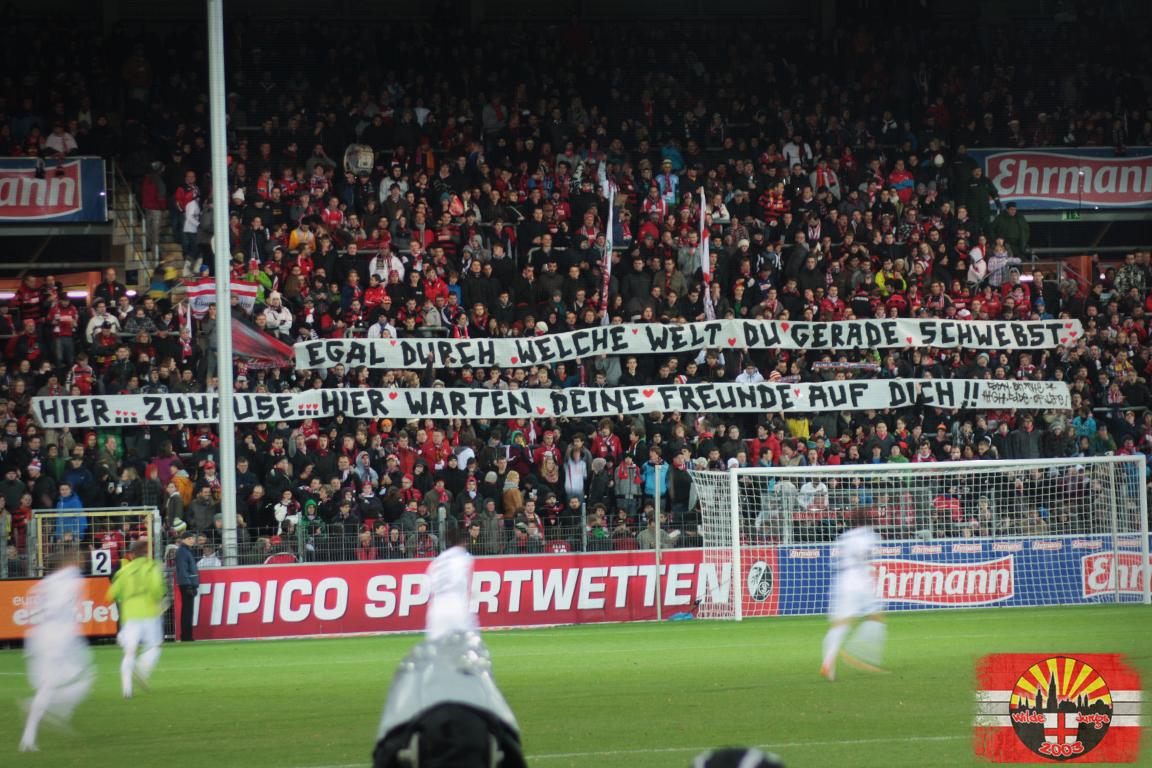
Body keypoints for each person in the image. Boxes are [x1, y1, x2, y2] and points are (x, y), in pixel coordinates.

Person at [20, 548, 95, 752]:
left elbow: (31, 600)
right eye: (79, 558)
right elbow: (60, 606)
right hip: (60, 638)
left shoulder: (47, 582)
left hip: (40, 636)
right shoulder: (71, 580)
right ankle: (57, 709)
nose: (82, 561)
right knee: (87, 676)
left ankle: (28, 737)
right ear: (71, 562)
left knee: (48, 685)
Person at [820, 510, 886, 681]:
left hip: (841, 580)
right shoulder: (869, 535)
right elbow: (869, 554)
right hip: (859, 579)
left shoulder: (844, 537)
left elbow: (833, 561)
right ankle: (860, 652)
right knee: (876, 618)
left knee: (839, 624)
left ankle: (828, 662)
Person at [105, 539, 166, 698]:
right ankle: (141, 668)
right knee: (154, 647)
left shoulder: (123, 571)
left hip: (130, 615)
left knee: (129, 652)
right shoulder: (152, 567)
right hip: (149, 612)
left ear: (131, 555)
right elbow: (157, 590)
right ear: (146, 553)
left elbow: (111, 594)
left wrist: (126, 597)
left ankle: (127, 689)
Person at [424, 524, 476, 641]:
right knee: (467, 649)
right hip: (456, 607)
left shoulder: (437, 561)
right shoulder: (464, 558)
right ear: (464, 542)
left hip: (436, 611)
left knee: (437, 651)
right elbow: (461, 581)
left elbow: (426, 587)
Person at [174, 530, 200, 641]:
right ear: (183, 540)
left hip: (188, 583)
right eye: (189, 539)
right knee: (187, 611)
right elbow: (183, 569)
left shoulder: (185, 551)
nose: (192, 540)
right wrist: (189, 585)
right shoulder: (182, 551)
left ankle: (187, 635)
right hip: (186, 584)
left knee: (188, 611)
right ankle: (186, 636)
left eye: (192, 538)